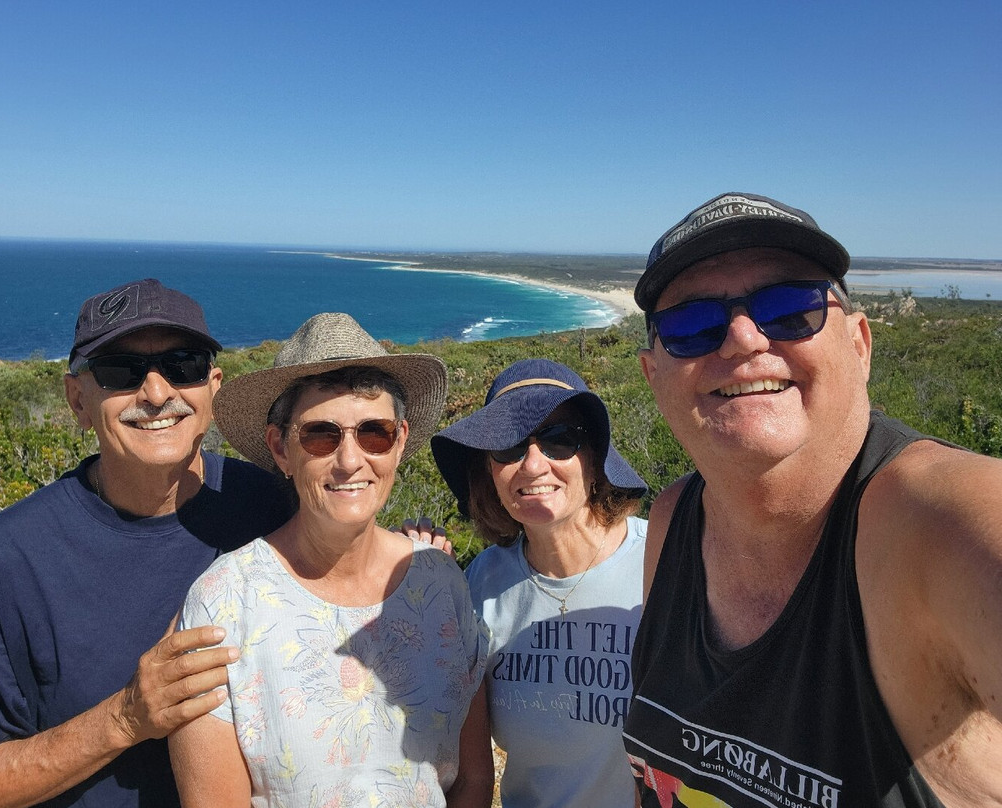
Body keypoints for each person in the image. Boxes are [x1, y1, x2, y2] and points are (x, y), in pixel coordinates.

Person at [623, 193, 1002, 807]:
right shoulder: (672, 521)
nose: (743, 339)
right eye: (691, 325)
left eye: (789, 307)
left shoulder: (937, 524)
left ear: (859, 345)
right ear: (652, 375)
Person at [0, 278, 298, 807]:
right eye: (121, 370)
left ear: (214, 387)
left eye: (183, 365)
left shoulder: (277, 506)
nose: (157, 393)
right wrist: (125, 718)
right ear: (78, 400)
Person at [169, 312, 492, 807]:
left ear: (400, 442)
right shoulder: (223, 604)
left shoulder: (441, 582)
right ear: (280, 449)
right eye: (321, 435)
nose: (350, 460)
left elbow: (471, 781)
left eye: (374, 433)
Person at [431, 358, 649, 808]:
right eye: (508, 447)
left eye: (559, 439)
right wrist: (414, 584)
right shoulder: (480, 585)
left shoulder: (661, 561)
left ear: (595, 459)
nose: (532, 464)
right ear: (489, 472)